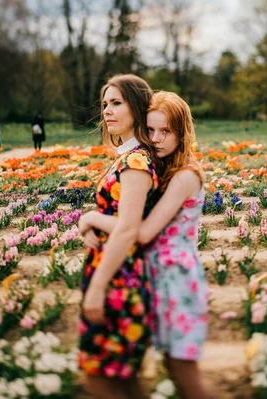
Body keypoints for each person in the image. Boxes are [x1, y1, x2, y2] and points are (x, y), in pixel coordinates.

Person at [79, 91, 209, 399]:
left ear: (183, 132)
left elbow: (141, 233)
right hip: (156, 276)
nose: (157, 138)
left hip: (176, 279)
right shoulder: (164, 168)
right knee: (157, 368)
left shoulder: (186, 176)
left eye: (166, 131)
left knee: (183, 372)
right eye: (150, 130)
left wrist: (92, 218)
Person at [78, 74, 158, 399]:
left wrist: (92, 217)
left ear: (137, 108)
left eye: (116, 103)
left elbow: (128, 228)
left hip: (119, 282)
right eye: (105, 104)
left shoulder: (135, 161)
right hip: (116, 275)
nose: (107, 111)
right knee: (123, 380)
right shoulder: (127, 157)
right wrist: (94, 226)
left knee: (98, 379)